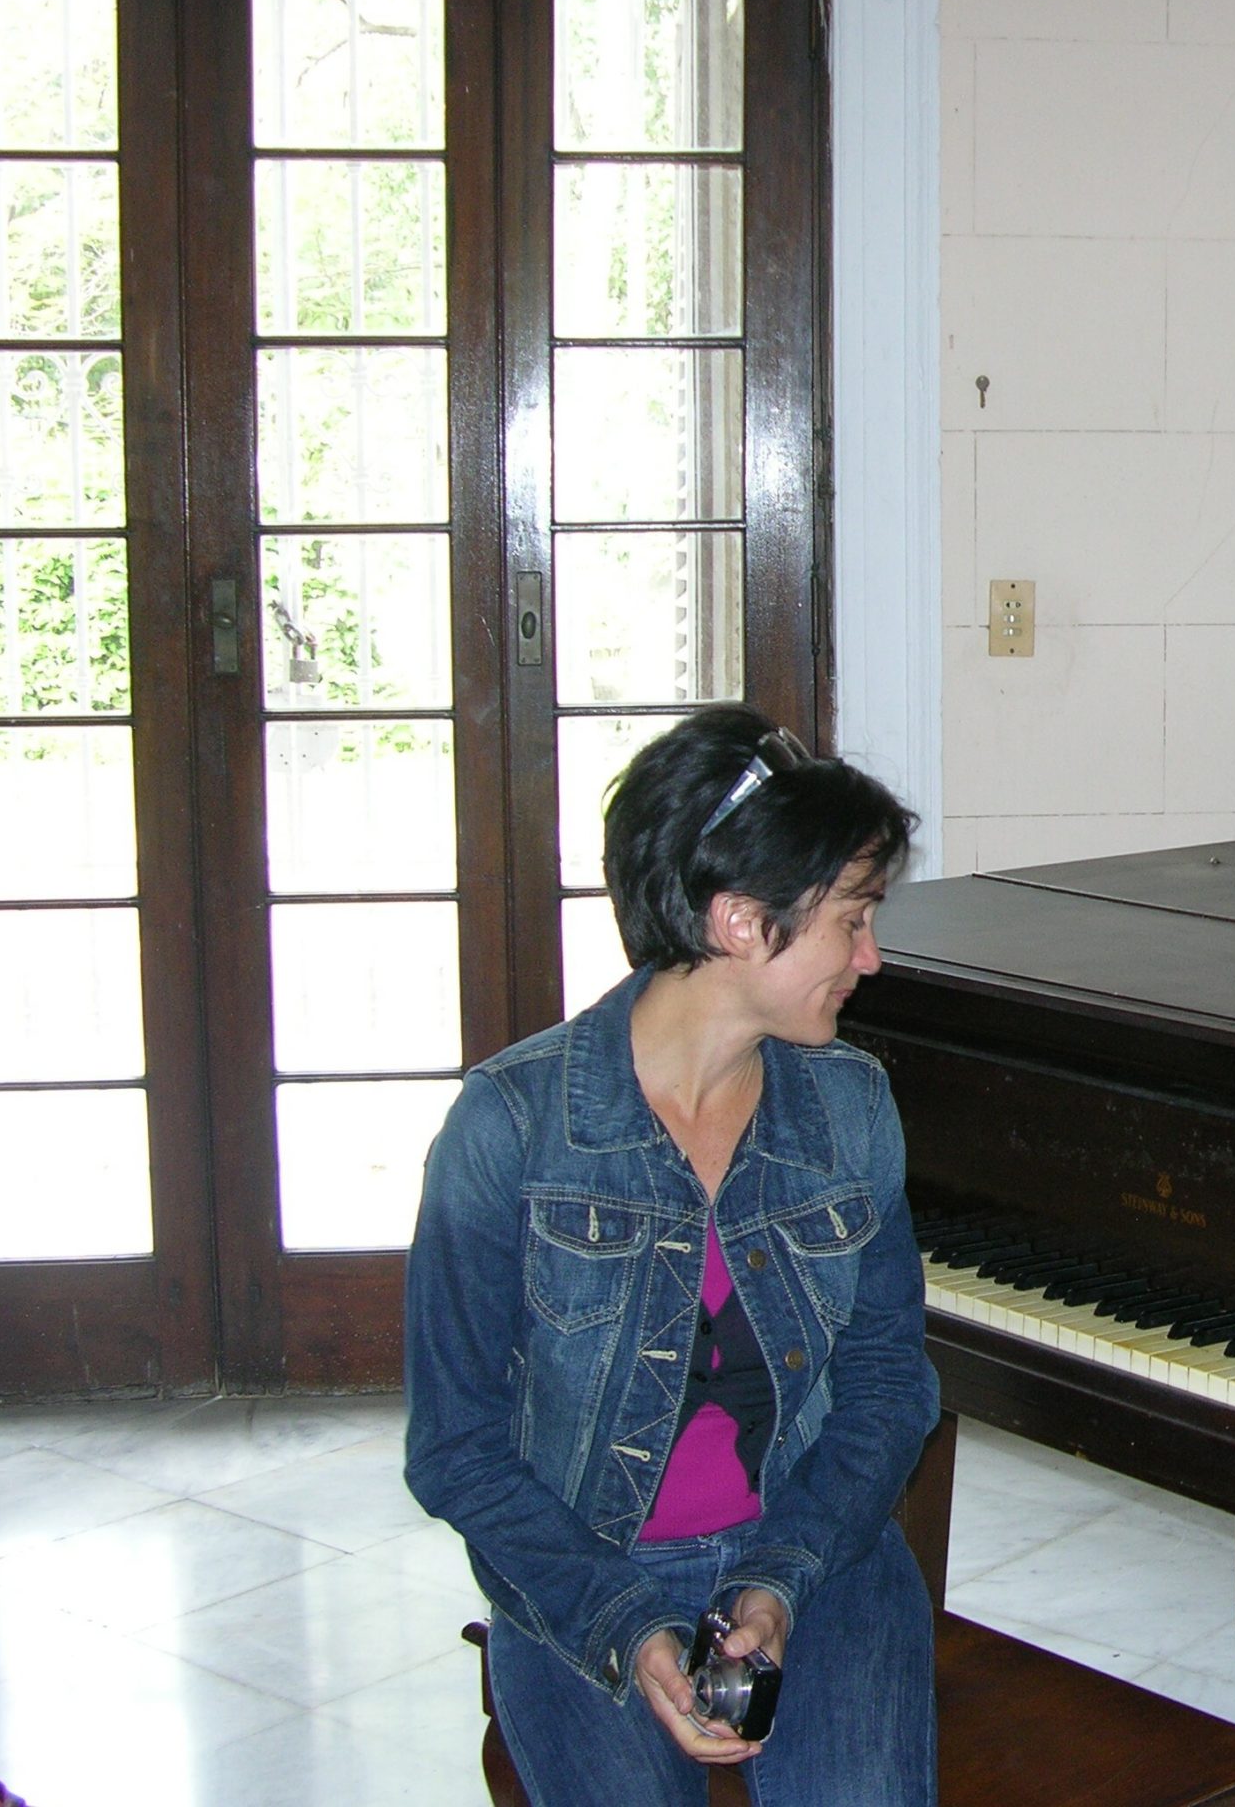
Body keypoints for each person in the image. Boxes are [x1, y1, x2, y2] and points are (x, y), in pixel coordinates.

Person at [405, 705, 940, 1807]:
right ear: (743, 921)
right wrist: (623, 1624)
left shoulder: (854, 1107)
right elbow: (454, 1445)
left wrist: (781, 1583)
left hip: (815, 1558)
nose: (871, 957)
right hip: (579, 1575)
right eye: (852, 919)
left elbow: (889, 1385)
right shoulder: (509, 1125)